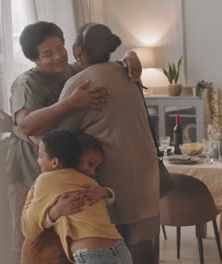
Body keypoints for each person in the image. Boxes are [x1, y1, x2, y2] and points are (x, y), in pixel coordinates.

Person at [6, 21, 143, 263]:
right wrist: (69, 103)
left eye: (60, 48)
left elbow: (101, 61)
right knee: (29, 241)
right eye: (48, 53)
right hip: (29, 168)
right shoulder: (27, 84)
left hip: (61, 173)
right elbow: (26, 125)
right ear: (34, 59)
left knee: (62, 241)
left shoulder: (73, 71)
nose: (58, 56)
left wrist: (130, 56)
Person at [55, 23, 159, 264]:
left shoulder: (81, 83)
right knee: (145, 254)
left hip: (112, 188)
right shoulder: (127, 73)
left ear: (76, 49)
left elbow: (58, 140)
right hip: (146, 184)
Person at [22, 130, 132, 264]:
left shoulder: (46, 180)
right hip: (119, 248)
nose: (92, 172)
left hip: (93, 255)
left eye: (40, 156)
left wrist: (53, 213)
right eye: (90, 164)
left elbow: (29, 230)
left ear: (55, 162)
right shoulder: (90, 182)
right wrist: (105, 192)